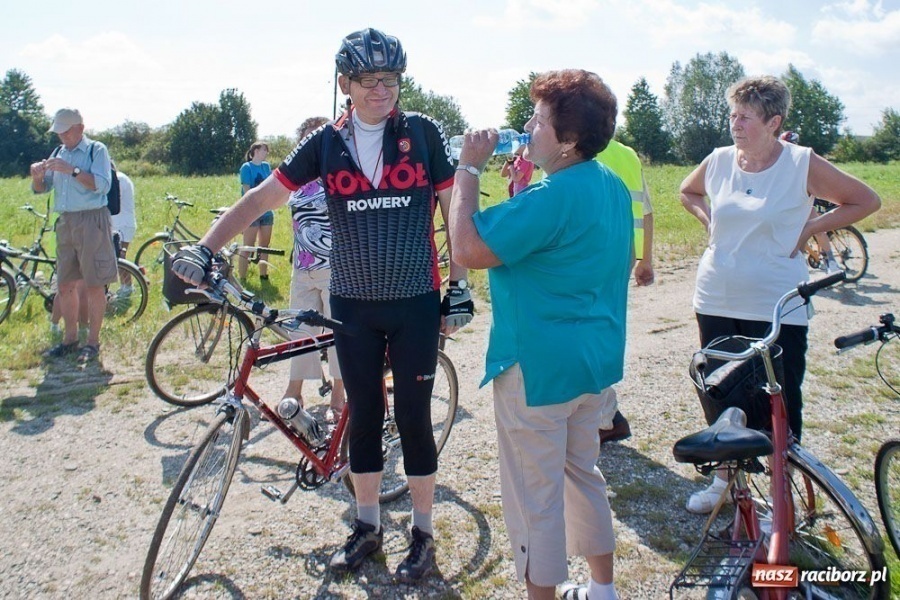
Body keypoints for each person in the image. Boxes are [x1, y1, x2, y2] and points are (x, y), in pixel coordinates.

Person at [171, 28, 473, 583]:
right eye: (368, 79)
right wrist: (205, 247)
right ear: (345, 84)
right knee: (360, 417)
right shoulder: (326, 145)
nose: (382, 89)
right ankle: (367, 526)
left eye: (391, 78)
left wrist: (459, 284)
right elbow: (262, 198)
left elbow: (456, 211)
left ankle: (424, 534)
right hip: (351, 305)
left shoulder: (423, 133)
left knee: (412, 419)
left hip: (415, 304)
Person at [448, 69, 630, 600]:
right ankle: (603, 588)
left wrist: (466, 171)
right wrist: (523, 186)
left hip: (538, 369)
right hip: (592, 363)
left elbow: (467, 249)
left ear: (569, 138)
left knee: (536, 498)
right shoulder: (608, 185)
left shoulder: (550, 197)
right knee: (583, 474)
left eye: (540, 119)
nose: (528, 126)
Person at [679, 76, 880, 514]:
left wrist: (809, 228)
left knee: (779, 401)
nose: (735, 124)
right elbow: (687, 191)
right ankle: (725, 482)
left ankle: (782, 497)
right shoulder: (718, 161)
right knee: (721, 394)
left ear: (774, 121)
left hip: (777, 302)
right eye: (732, 114)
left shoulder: (801, 163)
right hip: (716, 295)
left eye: (745, 117)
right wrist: (708, 220)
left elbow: (865, 200)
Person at [30, 108, 117, 362]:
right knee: (65, 283)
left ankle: (92, 342)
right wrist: (37, 177)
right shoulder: (59, 152)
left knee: (93, 283)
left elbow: (103, 185)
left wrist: (74, 171)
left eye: (66, 131)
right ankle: (69, 339)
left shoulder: (96, 150)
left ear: (80, 127)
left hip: (92, 220)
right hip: (66, 222)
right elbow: (42, 188)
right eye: (58, 132)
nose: (62, 137)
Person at [282, 116, 345, 421]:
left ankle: (338, 394)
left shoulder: (340, 174)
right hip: (303, 267)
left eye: (317, 137)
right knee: (300, 333)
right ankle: (294, 392)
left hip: (336, 268)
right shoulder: (296, 181)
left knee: (336, 335)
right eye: (306, 138)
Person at [596, 139, 656, 445]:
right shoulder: (628, 154)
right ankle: (608, 417)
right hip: (623, 253)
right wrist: (645, 259)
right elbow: (646, 210)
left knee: (590, 335)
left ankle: (604, 418)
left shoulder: (571, 146)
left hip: (591, 254)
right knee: (601, 333)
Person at [780, 131, 840, 274]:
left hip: (803, 202)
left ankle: (831, 261)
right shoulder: (779, 160)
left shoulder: (801, 160)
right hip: (786, 205)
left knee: (817, 229)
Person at [238, 141, 273, 280]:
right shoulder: (246, 167)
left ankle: (263, 275)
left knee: (264, 246)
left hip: (266, 211)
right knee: (248, 246)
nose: (266, 153)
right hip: (251, 212)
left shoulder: (266, 166)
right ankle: (243, 278)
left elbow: (271, 186)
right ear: (256, 151)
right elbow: (247, 191)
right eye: (264, 150)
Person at [111, 163, 137, 292]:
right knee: (119, 257)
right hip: (122, 223)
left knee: (120, 257)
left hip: (123, 224)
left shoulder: (118, 179)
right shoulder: (121, 177)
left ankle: (127, 287)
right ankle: (127, 285)